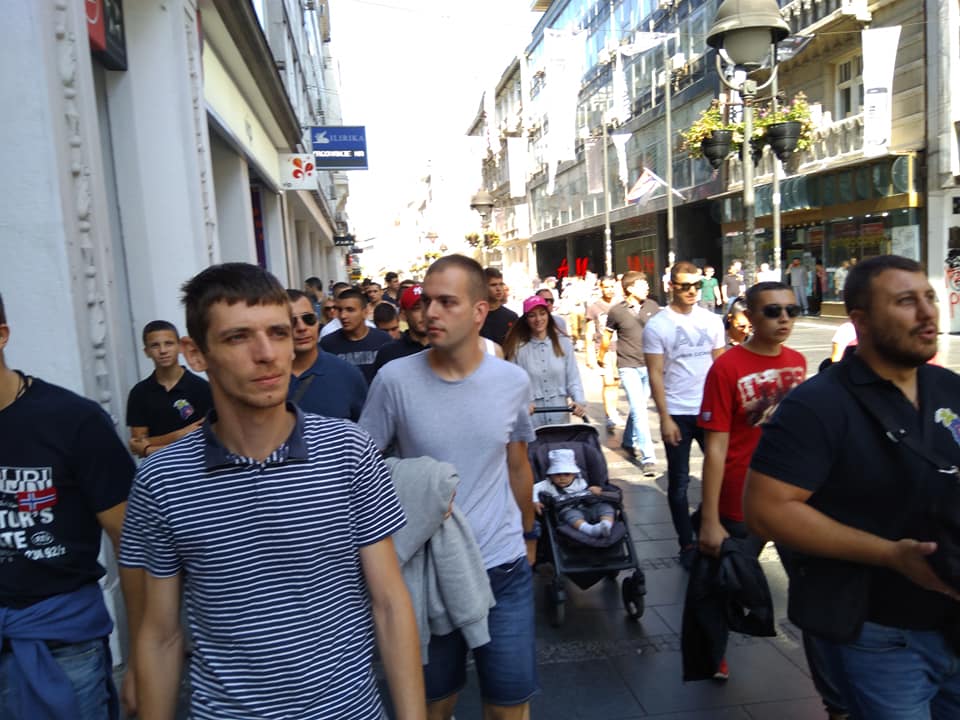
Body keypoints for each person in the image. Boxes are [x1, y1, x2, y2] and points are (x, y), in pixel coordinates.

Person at [120, 263, 424, 720]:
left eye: (278, 333)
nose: (267, 354)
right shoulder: (163, 479)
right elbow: (161, 634)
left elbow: (389, 603)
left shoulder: (348, 451)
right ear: (196, 354)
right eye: (238, 337)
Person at [745, 255, 960, 719]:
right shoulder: (818, 404)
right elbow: (766, 510)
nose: (928, 312)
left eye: (929, 297)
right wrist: (890, 555)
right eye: (906, 301)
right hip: (882, 632)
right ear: (860, 320)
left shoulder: (948, 387)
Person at [360, 254, 538, 720]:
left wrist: (529, 534)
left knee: (509, 707)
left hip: (503, 566)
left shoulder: (512, 381)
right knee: (434, 705)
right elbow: (362, 468)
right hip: (429, 571)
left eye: (446, 302)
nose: (429, 312)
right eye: (426, 301)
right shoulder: (395, 380)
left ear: (479, 311)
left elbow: (517, 463)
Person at [0, 291, 141, 719]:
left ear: (2, 335)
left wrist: (143, 654)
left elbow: (132, 542)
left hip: (62, 647)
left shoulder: (72, 420)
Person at [695, 282, 806, 681]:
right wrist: (710, 519)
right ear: (750, 318)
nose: (784, 319)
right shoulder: (726, 367)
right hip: (739, 498)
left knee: (810, 585)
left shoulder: (797, 361)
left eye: (791, 311)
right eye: (773, 311)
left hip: (791, 498)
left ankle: (826, 664)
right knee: (723, 585)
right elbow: (715, 449)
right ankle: (714, 656)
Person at [644, 261, 725, 568]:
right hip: (677, 411)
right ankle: (686, 543)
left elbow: (721, 367)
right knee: (678, 482)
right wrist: (664, 417)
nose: (692, 291)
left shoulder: (712, 321)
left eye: (697, 286)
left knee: (725, 474)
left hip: (710, 409)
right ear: (671, 287)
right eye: (685, 286)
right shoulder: (658, 325)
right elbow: (655, 373)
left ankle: (704, 521)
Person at [600, 271, 661, 475]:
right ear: (630, 288)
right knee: (640, 410)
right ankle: (649, 458)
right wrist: (601, 356)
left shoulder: (652, 306)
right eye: (642, 285)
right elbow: (606, 336)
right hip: (628, 366)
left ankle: (628, 439)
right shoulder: (617, 311)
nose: (647, 287)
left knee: (638, 407)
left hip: (649, 365)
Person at [126, 320, 212, 459]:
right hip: (158, 468)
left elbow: (208, 439)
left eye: (169, 343)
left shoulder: (202, 388)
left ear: (180, 347)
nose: (163, 351)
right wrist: (182, 433)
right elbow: (137, 445)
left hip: (196, 465)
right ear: (146, 352)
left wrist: (150, 447)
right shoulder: (139, 393)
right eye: (155, 345)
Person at [503, 295, 586, 428]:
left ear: (548, 315)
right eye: (532, 315)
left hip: (559, 414)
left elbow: (573, 377)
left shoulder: (563, 343)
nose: (538, 319)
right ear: (526, 319)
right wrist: (521, 403)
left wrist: (579, 401)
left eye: (542, 314)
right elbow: (512, 383)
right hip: (531, 418)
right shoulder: (517, 348)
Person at [287, 289, 367, 421]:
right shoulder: (264, 378)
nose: (302, 327)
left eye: (308, 319)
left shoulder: (348, 375)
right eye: (292, 321)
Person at [533, 448, 614, 538]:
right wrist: (535, 501)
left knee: (605, 507)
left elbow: (589, 498)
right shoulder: (547, 484)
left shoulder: (580, 482)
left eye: (567, 474)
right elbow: (533, 488)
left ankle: (606, 525)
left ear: (574, 474)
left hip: (586, 507)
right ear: (550, 475)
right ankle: (590, 530)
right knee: (571, 515)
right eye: (557, 474)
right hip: (567, 511)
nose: (562, 478)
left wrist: (593, 490)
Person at [320, 287, 393, 384]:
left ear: (365, 312)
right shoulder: (327, 344)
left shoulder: (383, 340)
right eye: (340, 310)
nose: (343, 316)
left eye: (350, 310)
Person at [585, 276, 623, 431]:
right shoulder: (594, 307)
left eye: (612, 286)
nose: (609, 290)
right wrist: (590, 354)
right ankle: (610, 415)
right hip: (603, 349)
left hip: (621, 348)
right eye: (606, 287)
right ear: (600, 288)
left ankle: (613, 410)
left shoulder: (621, 305)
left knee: (616, 382)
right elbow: (589, 332)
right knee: (608, 382)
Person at [372, 284, 430, 375]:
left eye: (428, 307)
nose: (424, 314)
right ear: (403, 314)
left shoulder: (447, 349)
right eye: (417, 308)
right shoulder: (389, 352)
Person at [479, 267, 519, 345]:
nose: (498, 289)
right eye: (493, 285)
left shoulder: (511, 317)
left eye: (501, 284)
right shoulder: (475, 316)